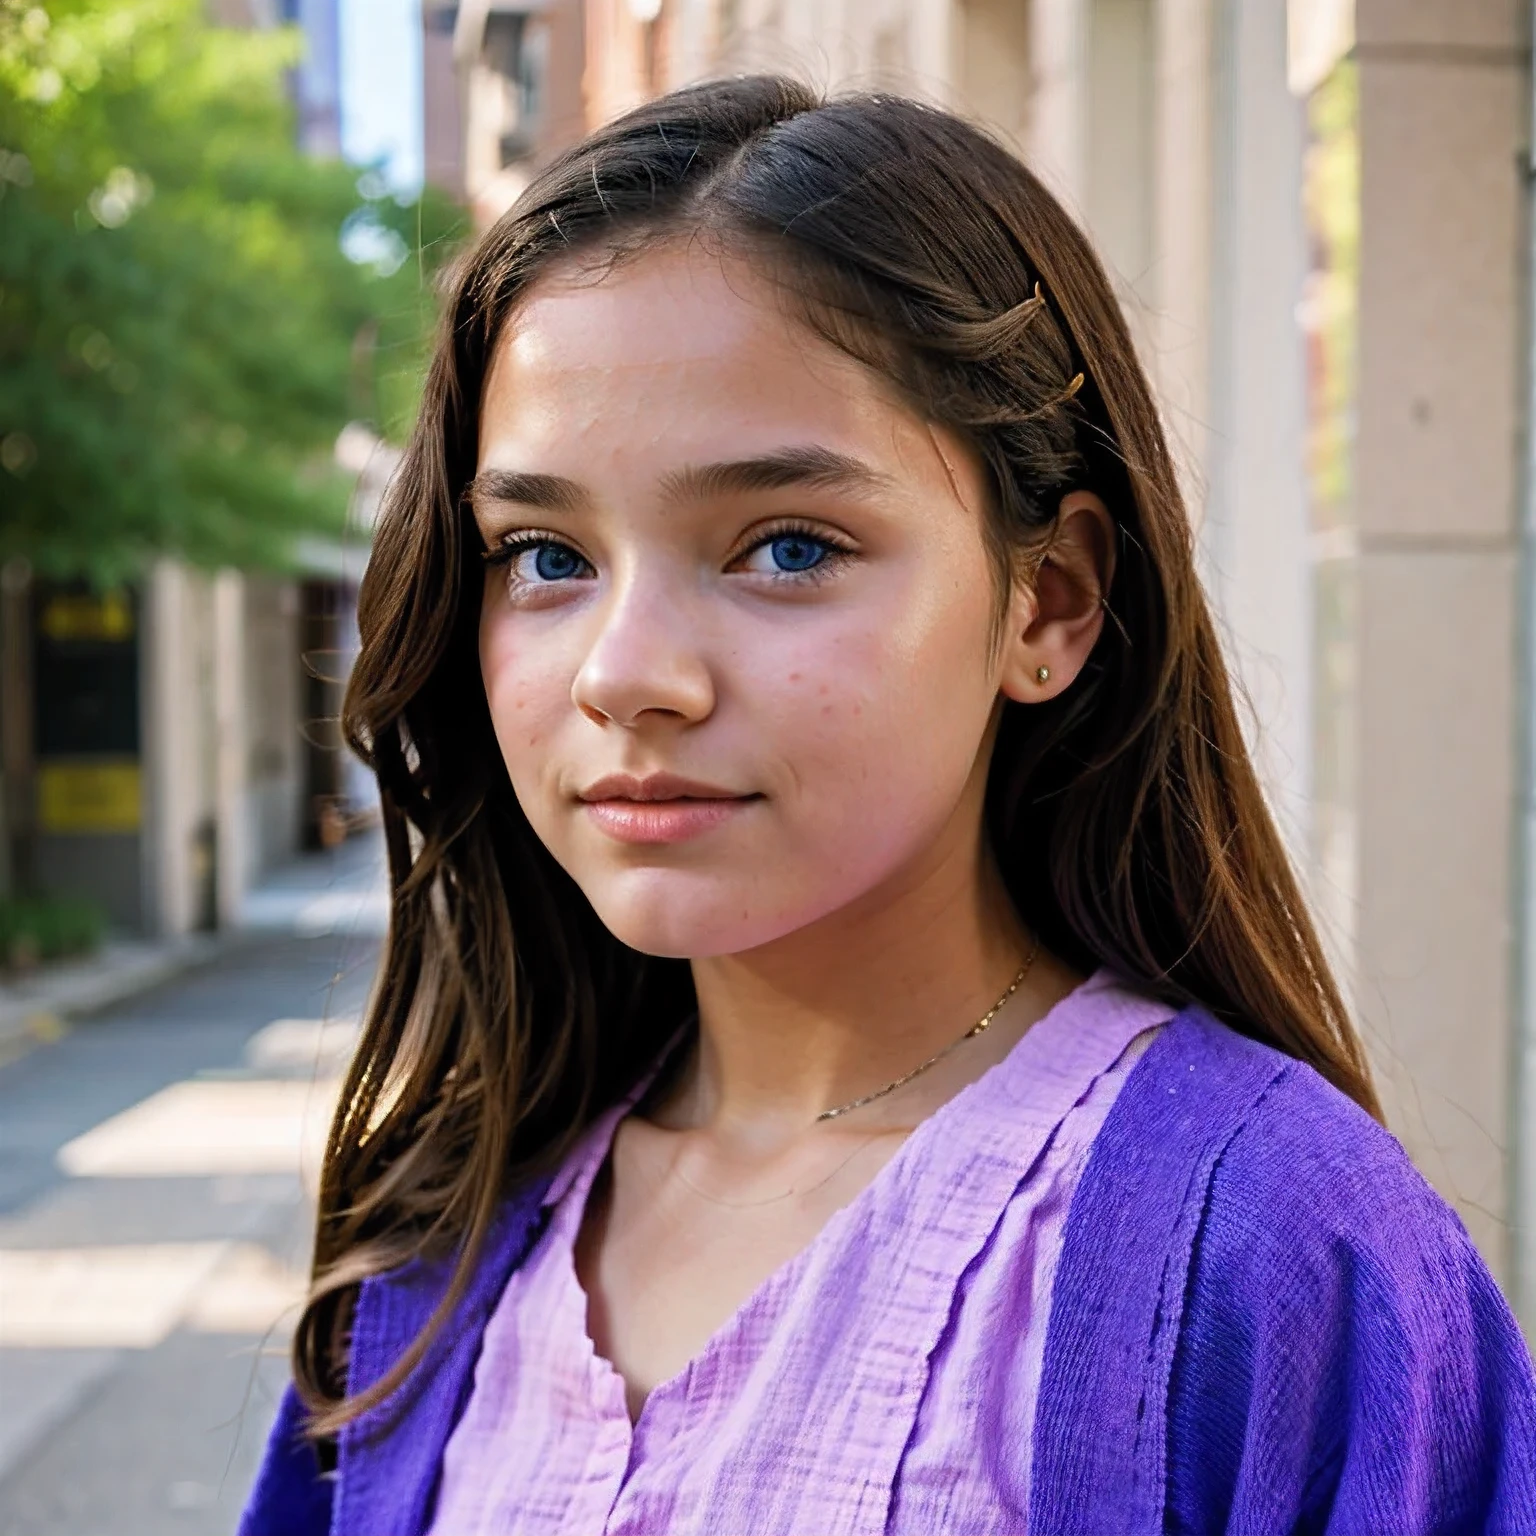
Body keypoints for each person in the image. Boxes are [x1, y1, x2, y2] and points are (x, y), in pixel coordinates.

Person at [240, 76, 1536, 1536]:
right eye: (544, 554)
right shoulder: (446, 1236)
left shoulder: (1278, 1257)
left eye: (787, 546)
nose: (627, 676)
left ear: (1049, 602)